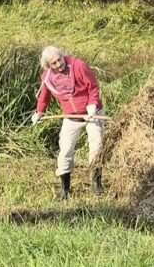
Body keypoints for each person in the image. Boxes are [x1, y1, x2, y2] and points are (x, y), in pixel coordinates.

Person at [31, 45, 105, 200]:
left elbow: (93, 87)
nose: (59, 64)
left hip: (92, 114)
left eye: (60, 59)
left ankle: (96, 183)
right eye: (54, 63)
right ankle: (65, 190)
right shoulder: (47, 77)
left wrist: (92, 106)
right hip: (71, 117)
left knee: (96, 147)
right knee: (65, 152)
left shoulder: (78, 65)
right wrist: (39, 112)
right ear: (48, 66)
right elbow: (44, 96)